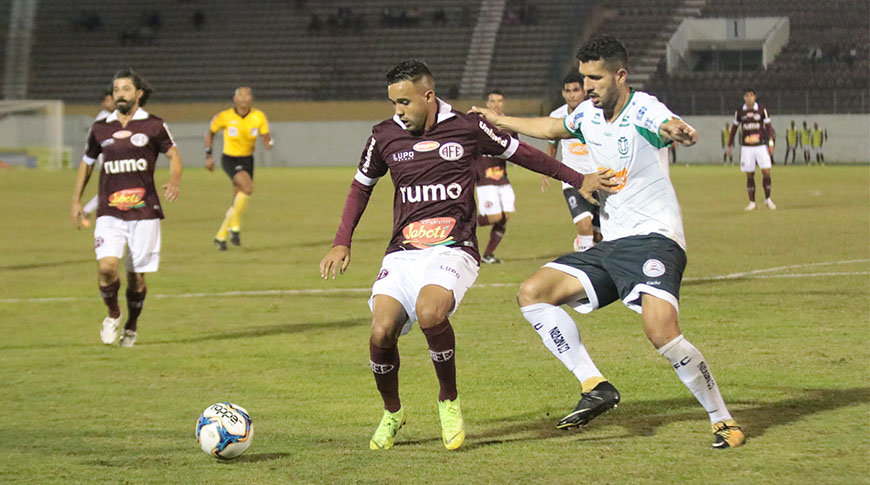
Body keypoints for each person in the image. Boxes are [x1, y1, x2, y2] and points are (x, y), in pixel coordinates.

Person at [318, 60, 613, 452]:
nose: (398, 111)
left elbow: (522, 153)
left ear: (428, 96)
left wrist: (578, 179)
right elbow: (361, 187)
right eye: (393, 103)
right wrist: (342, 241)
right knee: (381, 331)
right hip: (403, 252)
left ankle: (448, 401)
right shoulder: (383, 135)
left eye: (405, 102)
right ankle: (392, 412)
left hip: (454, 247)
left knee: (430, 313)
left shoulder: (467, 127)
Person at [472, 36, 745, 449]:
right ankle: (594, 384)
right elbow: (552, 128)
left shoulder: (643, 108)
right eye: (584, 78)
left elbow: (666, 124)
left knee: (660, 330)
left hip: (654, 238)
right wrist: (501, 120)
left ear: (620, 75)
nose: (588, 87)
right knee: (533, 293)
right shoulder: (586, 113)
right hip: (613, 241)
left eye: (595, 79)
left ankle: (721, 418)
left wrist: (678, 131)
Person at [70, 68, 183, 348]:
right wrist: (76, 200)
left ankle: (131, 325)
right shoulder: (101, 128)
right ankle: (113, 314)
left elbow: (174, 156)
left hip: (144, 213)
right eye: (116, 89)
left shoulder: (154, 125)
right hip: (110, 212)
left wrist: (174, 180)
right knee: (107, 267)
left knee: (136, 278)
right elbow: (87, 163)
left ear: (138, 94)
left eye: (126, 89)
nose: (120, 94)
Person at [205, 87, 273, 250]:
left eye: (246, 95)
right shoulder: (225, 116)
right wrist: (209, 155)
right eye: (240, 95)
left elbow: (265, 135)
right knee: (247, 188)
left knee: (238, 198)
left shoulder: (258, 116)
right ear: (235, 99)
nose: (243, 98)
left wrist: (267, 142)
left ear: (251, 98)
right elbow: (210, 133)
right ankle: (234, 229)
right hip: (230, 158)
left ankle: (221, 236)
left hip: (248, 159)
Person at [544, 72, 599, 252]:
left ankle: (583, 245)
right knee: (584, 224)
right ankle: (584, 262)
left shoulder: (596, 112)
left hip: (598, 179)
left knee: (599, 235)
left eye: (576, 90)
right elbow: (552, 144)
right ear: (563, 93)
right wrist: (547, 171)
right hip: (572, 179)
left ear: (584, 92)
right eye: (568, 91)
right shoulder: (557, 116)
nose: (572, 95)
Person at [473, 89, 518, 263]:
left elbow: (516, 148)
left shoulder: (509, 125)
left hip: (502, 178)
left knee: (504, 217)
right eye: (492, 101)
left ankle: (487, 255)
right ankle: (463, 222)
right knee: (494, 217)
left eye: (499, 101)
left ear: (503, 103)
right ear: (487, 104)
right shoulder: (478, 124)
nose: (496, 104)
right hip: (484, 179)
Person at [728, 88, 776, 211]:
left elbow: (769, 128)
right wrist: (729, 145)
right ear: (744, 98)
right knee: (750, 174)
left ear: (755, 97)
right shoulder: (740, 111)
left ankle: (768, 199)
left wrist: (771, 143)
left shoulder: (762, 110)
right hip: (747, 147)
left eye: (751, 95)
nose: (749, 98)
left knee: (766, 171)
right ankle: (752, 202)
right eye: (747, 96)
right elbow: (734, 129)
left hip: (761, 145)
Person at [82, 89, 118, 223]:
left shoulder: (112, 115)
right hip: (106, 155)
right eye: (108, 100)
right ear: (104, 102)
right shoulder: (104, 118)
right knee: (114, 186)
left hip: (111, 155)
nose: (111, 103)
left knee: (113, 186)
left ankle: (88, 210)